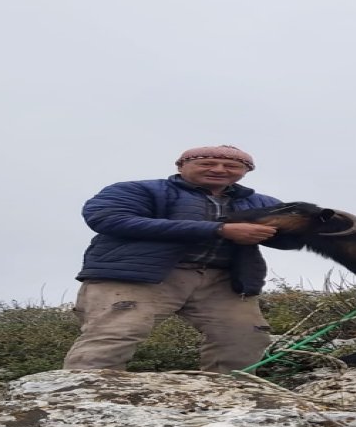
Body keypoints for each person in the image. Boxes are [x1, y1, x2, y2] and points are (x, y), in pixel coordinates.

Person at [63, 145, 283, 373]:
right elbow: (108, 219)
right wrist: (219, 229)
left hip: (223, 280)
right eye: (207, 163)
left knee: (244, 336)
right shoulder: (136, 190)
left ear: (245, 171)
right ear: (181, 165)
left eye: (232, 166)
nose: (219, 169)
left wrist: (316, 226)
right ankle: (80, 395)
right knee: (117, 332)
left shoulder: (261, 203)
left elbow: (299, 232)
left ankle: (232, 398)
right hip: (137, 276)